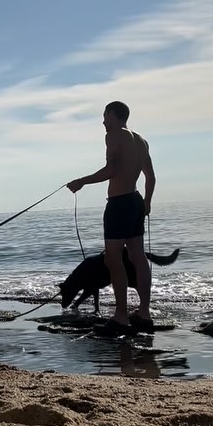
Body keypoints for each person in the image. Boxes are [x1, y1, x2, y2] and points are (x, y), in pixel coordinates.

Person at [67, 101, 156, 329]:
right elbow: (150, 177)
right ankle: (144, 313)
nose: (103, 121)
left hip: (119, 203)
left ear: (114, 115)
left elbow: (112, 170)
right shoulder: (141, 140)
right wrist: (146, 202)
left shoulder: (115, 135)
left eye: (105, 116)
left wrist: (81, 182)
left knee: (112, 258)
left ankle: (121, 316)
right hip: (135, 201)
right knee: (138, 256)